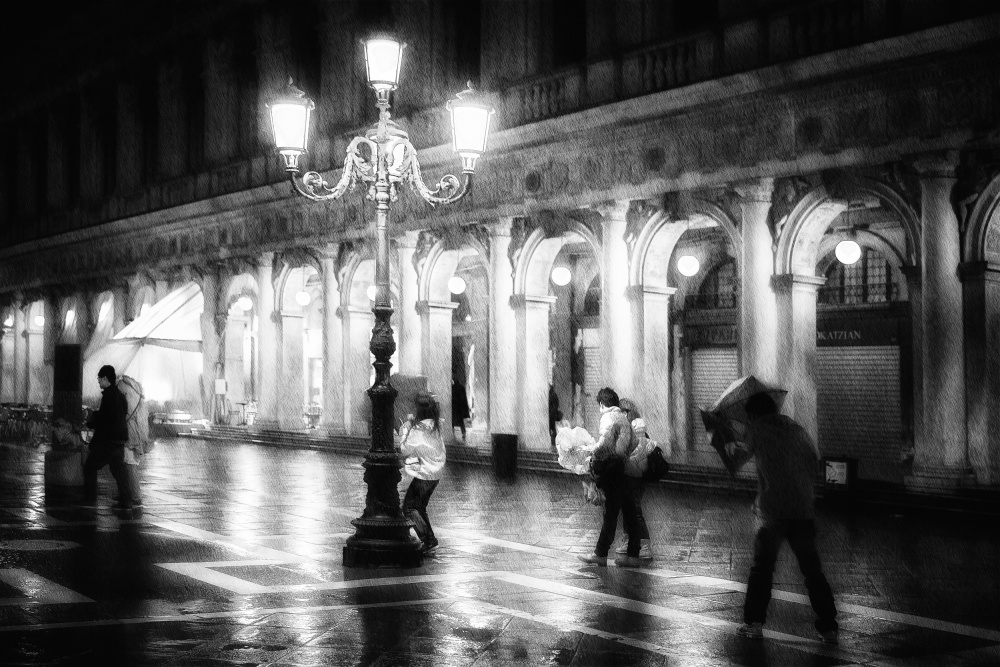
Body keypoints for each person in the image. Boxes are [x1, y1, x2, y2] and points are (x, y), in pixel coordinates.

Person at [716, 392, 839, 644]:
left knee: (762, 568)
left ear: (753, 415)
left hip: (774, 510)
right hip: (802, 508)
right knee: (812, 569)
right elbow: (812, 462)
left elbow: (736, 458)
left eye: (748, 417)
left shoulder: (757, 430)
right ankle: (829, 627)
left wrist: (727, 440)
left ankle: (754, 622)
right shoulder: (796, 428)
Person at [578, 387, 642, 567]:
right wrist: (624, 455)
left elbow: (604, 444)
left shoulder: (608, 417)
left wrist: (590, 451)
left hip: (611, 469)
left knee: (611, 513)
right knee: (630, 512)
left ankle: (600, 554)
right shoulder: (623, 417)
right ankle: (633, 555)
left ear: (601, 404)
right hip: (622, 468)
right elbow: (635, 441)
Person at [82, 365, 136, 510]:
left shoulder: (108, 396)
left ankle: (90, 498)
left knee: (89, 467)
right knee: (118, 471)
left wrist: (91, 421)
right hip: (119, 439)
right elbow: (120, 415)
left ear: (106, 379)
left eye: (99, 378)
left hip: (108, 441)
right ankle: (127, 501)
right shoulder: (120, 395)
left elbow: (105, 418)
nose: (98, 381)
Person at [400, 391, 446, 555]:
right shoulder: (436, 424)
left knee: (409, 508)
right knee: (420, 507)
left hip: (425, 473)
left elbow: (404, 449)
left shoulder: (418, 430)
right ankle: (429, 539)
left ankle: (428, 540)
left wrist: (405, 431)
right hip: (436, 472)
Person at [616, 398, 653, 560]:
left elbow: (637, 453)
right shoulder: (629, 428)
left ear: (626, 413)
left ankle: (645, 545)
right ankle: (628, 540)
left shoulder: (636, 429)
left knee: (635, 510)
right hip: (629, 474)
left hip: (635, 475)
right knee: (627, 509)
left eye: (620, 412)